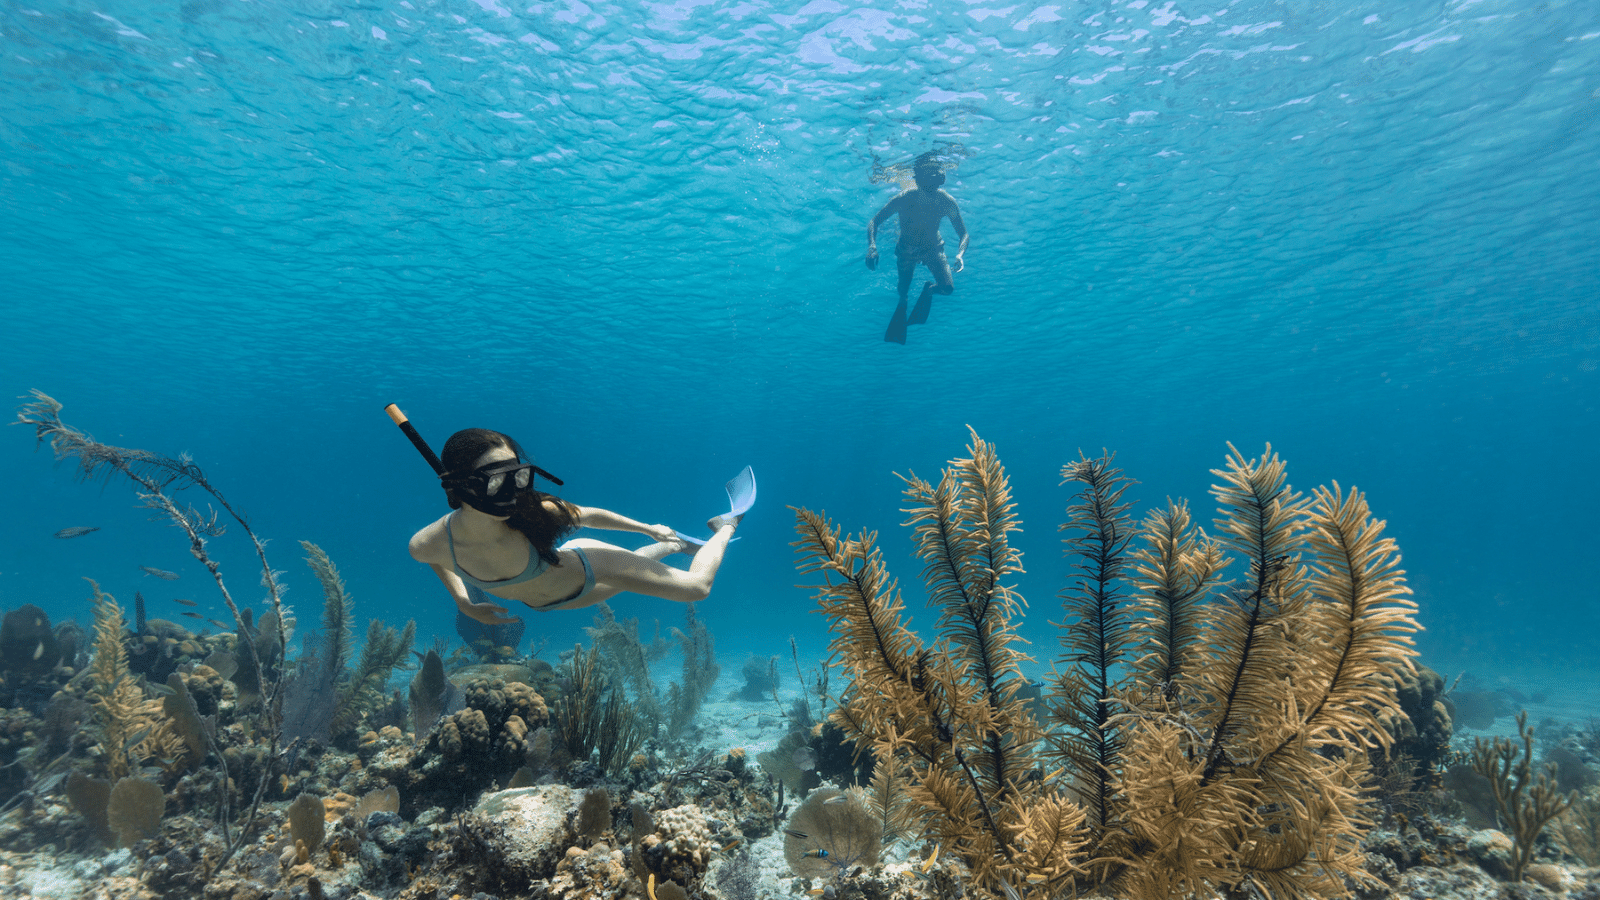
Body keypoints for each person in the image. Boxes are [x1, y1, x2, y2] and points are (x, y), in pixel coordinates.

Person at [408, 428, 741, 625]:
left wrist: (646, 528)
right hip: (559, 600)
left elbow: (588, 515)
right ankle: (674, 545)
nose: (514, 491)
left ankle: (725, 525)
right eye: (497, 481)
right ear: (462, 488)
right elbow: (437, 559)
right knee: (637, 567)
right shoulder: (428, 543)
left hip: (590, 566)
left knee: (696, 588)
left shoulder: (534, 511)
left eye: (519, 476)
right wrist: (463, 603)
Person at [866, 152, 969, 343]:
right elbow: (875, 221)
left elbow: (964, 234)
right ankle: (903, 303)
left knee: (947, 289)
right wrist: (872, 246)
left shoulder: (946, 201)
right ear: (919, 178)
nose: (932, 182)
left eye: (935, 177)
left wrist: (960, 254)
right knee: (903, 292)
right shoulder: (904, 198)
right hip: (907, 249)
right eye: (928, 177)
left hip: (933, 248)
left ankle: (929, 290)